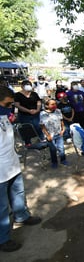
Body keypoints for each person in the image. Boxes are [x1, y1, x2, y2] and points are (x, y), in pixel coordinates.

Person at [0, 86, 42, 252]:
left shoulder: (4, 114)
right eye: (8, 103)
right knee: (2, 207)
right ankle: (3, 239)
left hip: (12, 163)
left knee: (18, 193)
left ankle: (21, 216)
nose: (11, 107)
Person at [40, 99, 69, 169]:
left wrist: (63, 129)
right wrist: (47, 135)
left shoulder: (58, 111)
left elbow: (61, 120)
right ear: (47, 105)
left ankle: (63, 159)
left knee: (61, 148)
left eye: (55, 104)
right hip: (50, 135)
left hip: (59, 133)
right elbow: (42, 126)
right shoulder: (43, 114)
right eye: (52, 104)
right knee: (53, 149)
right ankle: (54, 162)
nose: (54, 105)